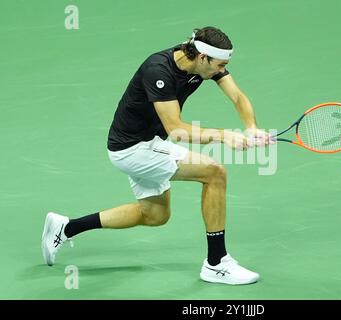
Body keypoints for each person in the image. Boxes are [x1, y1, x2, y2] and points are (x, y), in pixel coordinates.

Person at [41, 26, 273, 285]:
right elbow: (176, 129)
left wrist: (251, 126)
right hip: (132, 149)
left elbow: (237, 96)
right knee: (214, 172)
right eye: (219, 65)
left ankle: (66, 227)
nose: (222, 70)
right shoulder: (158, 71)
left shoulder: (202, 63)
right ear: (202, 57)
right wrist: (224, 135)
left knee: (155, 215)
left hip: (148, 143)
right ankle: (216, 263)